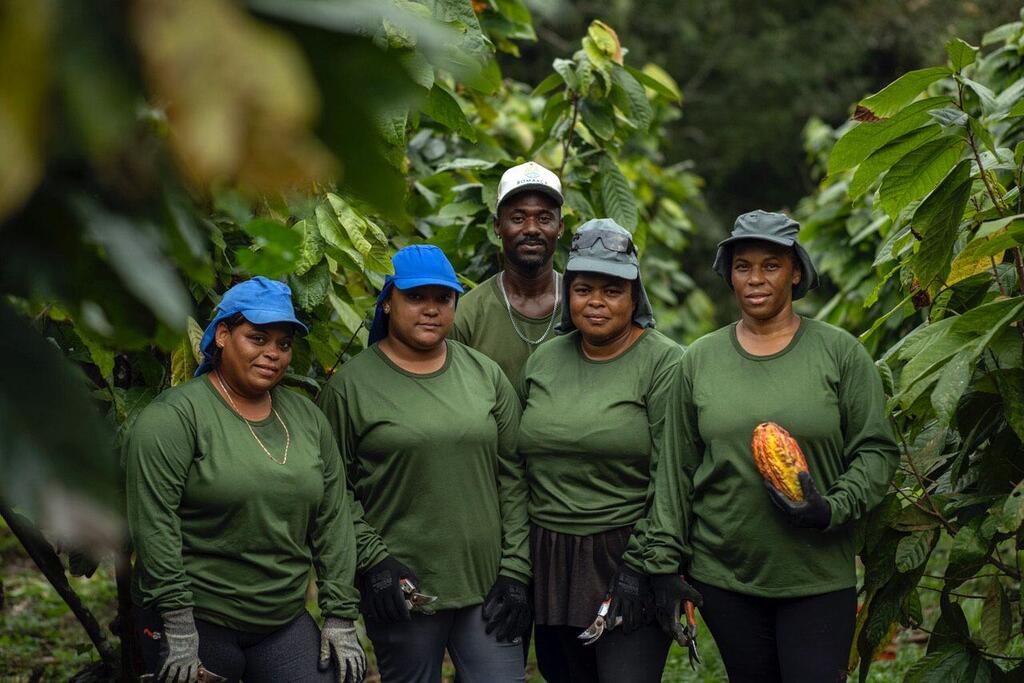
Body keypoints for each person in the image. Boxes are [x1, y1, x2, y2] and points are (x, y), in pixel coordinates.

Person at [632, 210, 900, 682]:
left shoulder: (839, 353)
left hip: (817, 574)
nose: (755, 279)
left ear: (796, 272)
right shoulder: (699, 360)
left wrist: (831, 508)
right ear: (729, 274)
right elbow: (675, 469)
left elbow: (876, 451)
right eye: (743, 266)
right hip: (725, 576)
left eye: (771, 265)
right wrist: (663, 563)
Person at [124, 276, 366, 683]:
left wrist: (340, 614)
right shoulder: (174, 418)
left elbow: (333, 519)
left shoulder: (307, 419)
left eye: (283, 344)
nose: (273, 353)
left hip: (281, 618)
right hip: (198, 615)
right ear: (222, 335)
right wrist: (179, 625)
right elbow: (154, 524)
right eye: (257, 338)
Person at [317, 245, 530, 683]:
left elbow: (514, 476)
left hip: (487, 589)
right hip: (404, 590)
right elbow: (332, 490)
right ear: (388, 302)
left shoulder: (485, 375)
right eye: (416, 297)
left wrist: (515, 570)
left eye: (443, 298)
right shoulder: (350, 389)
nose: (431, 309)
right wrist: (373, 562)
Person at [516, 218, 688, 682]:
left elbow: (673, 472)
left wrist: (646, 565)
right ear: (567, 293)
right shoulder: (544, 360)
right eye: (583, 288)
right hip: (551, 552)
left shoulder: (664, 361)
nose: (595, 302)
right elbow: (516, 465)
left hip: (626, 549)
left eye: (612, 290)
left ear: (635, 298)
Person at [450, 161, 564, 383]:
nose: (531, 229)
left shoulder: (584, 306)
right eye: (518, 219)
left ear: (560, 227)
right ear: (497, 226)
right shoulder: (468, 315)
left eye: (544, 219)